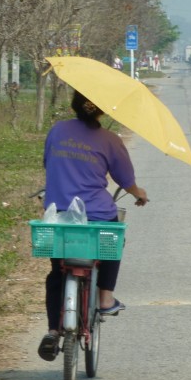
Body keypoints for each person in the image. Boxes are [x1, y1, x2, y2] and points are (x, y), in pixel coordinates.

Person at [38, 90, 148, 361]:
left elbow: (46, 162)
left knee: (57, 271)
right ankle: (106, 298)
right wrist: (138, 194)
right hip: (97, 215)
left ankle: (53, 330)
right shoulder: (110, 140)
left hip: (60, 215)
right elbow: (125, 179)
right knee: (113, 241)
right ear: (102, 111)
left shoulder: (58, 130)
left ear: (75, 105)